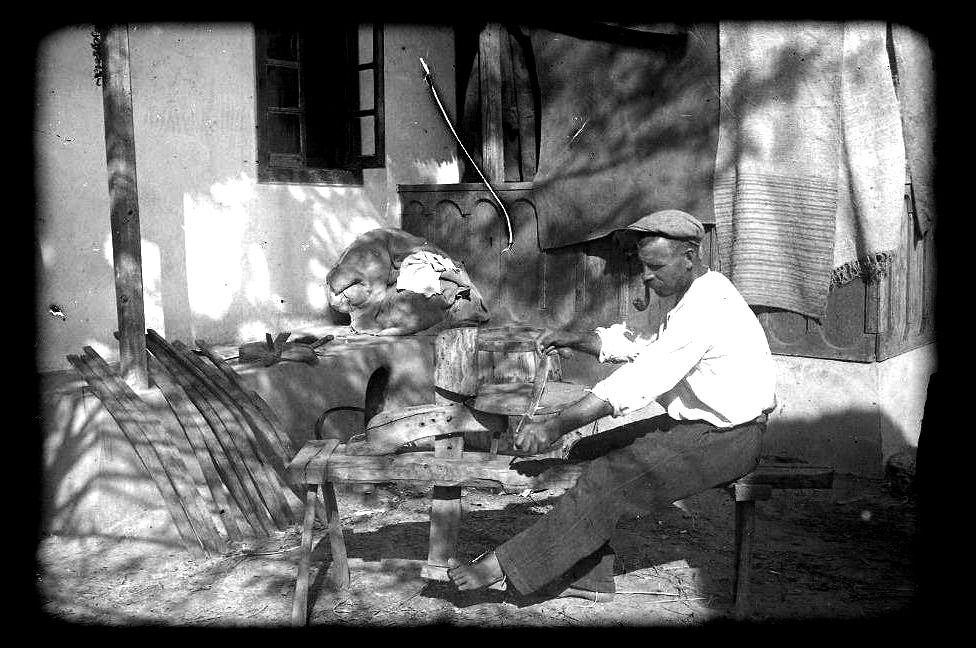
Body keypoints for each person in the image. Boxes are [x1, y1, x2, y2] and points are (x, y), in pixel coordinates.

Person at [447, 209, 777, 601]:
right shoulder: (693, 293)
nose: (648, 276)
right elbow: (642, 345)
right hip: (701, 429)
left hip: (730, 438)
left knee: (608, 477)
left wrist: (556, 424)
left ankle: (501, 566)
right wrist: (575, 338)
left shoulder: (708, 305)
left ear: (689, 257)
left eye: (656, 266)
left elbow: (643, 377)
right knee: (588, 451)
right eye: (644, 266)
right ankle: (591, 577)